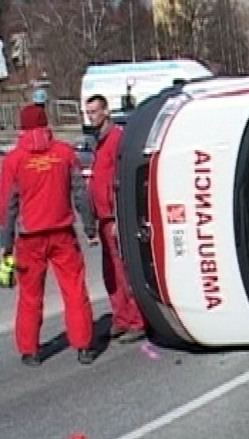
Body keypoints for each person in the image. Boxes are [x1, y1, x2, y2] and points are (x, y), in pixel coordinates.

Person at [0, 104, 97, 366]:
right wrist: (89, 227)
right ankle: (84, 345)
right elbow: (80, 193)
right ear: (46, 124)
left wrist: (5, 244)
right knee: (74, 290)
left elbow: (7, 206)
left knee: (30, 296)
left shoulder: (14, 161)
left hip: (30, 238)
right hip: (62, 233)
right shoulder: (64, 154)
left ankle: (30, 350)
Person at [85, 94, 146, 343]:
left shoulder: (115, 139)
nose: (91, 117)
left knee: (123, 271)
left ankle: (136, 320)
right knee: (110, 273)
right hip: (102, 217)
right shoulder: (97, 142)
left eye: (95, 111)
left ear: (106, 111)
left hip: (114, 216)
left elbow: (119, 181)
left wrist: (120, 218)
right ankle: (121, 317)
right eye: (88, 113)